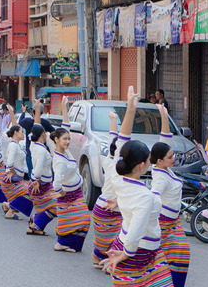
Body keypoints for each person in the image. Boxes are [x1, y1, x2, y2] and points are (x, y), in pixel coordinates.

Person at [96, 140, 175, 287]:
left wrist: (119, 203)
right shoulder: (144, 196)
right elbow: (136, 231)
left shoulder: (122, 182)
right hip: (135, 253)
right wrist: (124, 254)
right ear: (141, 165)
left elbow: (126, 199)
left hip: (146, 254)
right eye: (149, 161)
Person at [92, 87, 138, 268]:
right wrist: (130, 110)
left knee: (105, 240)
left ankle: (99, 260)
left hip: (101, 206)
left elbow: (115, 138)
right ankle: (111, 265)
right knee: (122, 239)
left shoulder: (108, 160)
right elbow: (122, 138)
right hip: (110, 208)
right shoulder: (119, 163)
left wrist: (113, 120)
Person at [149, 104, 189, 287]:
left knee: (180, 252)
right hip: (164, 222)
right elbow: (154, 195)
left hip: (173, 221)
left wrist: (163, 114)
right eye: (170, 157)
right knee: (159, 254)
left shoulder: (164, 167)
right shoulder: (160, 177)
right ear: (159, 161)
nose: (174, 159)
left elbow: (165, 137)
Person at [50, 121, 91, 253]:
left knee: (80, 220)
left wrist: (65, 106)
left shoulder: (65, 152)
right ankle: (61, 244)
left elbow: (65, 127)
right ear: (56, 140)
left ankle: (66, 244)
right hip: (69, 195)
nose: (68, 141)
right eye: (65, 139)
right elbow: (56, 183)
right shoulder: (59, 160)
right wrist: (61, 192)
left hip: (76, 192)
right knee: (79, 219)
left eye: (68, 138)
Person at [27, 124, 56, 236]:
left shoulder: (33, 145)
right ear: (43, 134)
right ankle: (34, 226)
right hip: (39, 185)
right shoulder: (42, 150)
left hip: (42, 184)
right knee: (56, 207)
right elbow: (38, 170)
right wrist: (37, 181)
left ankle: (36, 222)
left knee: (52, 206)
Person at [2, 125, 33, 220]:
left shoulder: (16, 144)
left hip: (16, 179)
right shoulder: (13, 145)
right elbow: (10, 162)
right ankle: (10, 210)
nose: (23, 134)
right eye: (21, 131)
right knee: (30, 192)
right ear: (16, 133)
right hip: (11, 179)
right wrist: (12, 172)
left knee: (28, 194)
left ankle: (9, 206)